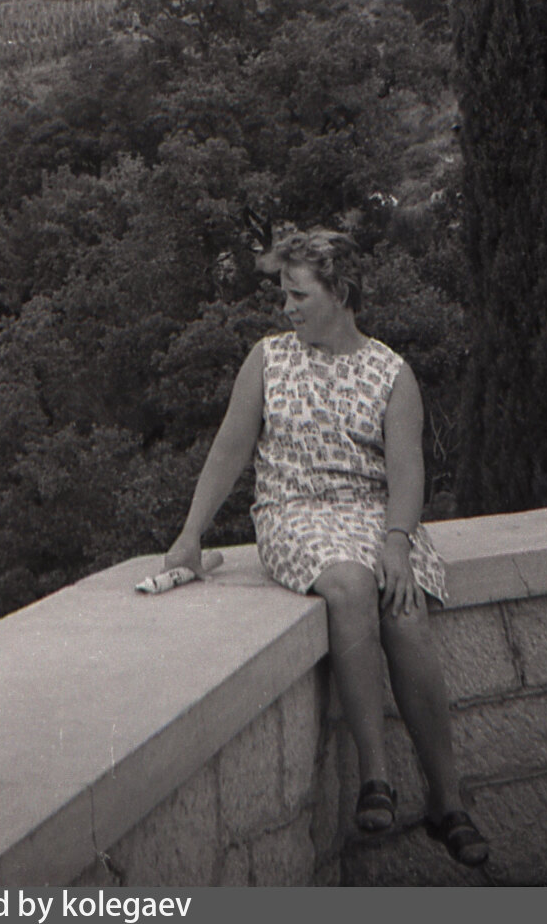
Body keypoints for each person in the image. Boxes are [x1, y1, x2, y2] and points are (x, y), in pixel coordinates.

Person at [163, 227, 489, 867]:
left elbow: (407, 473)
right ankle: (375, 774)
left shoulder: (391, 373)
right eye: (284, 295)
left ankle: (447, 799)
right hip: (294, 513)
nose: (286, 307)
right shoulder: (268, 360)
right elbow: (230, 449)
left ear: (340, 292)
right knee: (349, 583)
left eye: (298, 294)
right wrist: (190, 534)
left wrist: (397, 543)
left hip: (374, 516)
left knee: (405, 608)